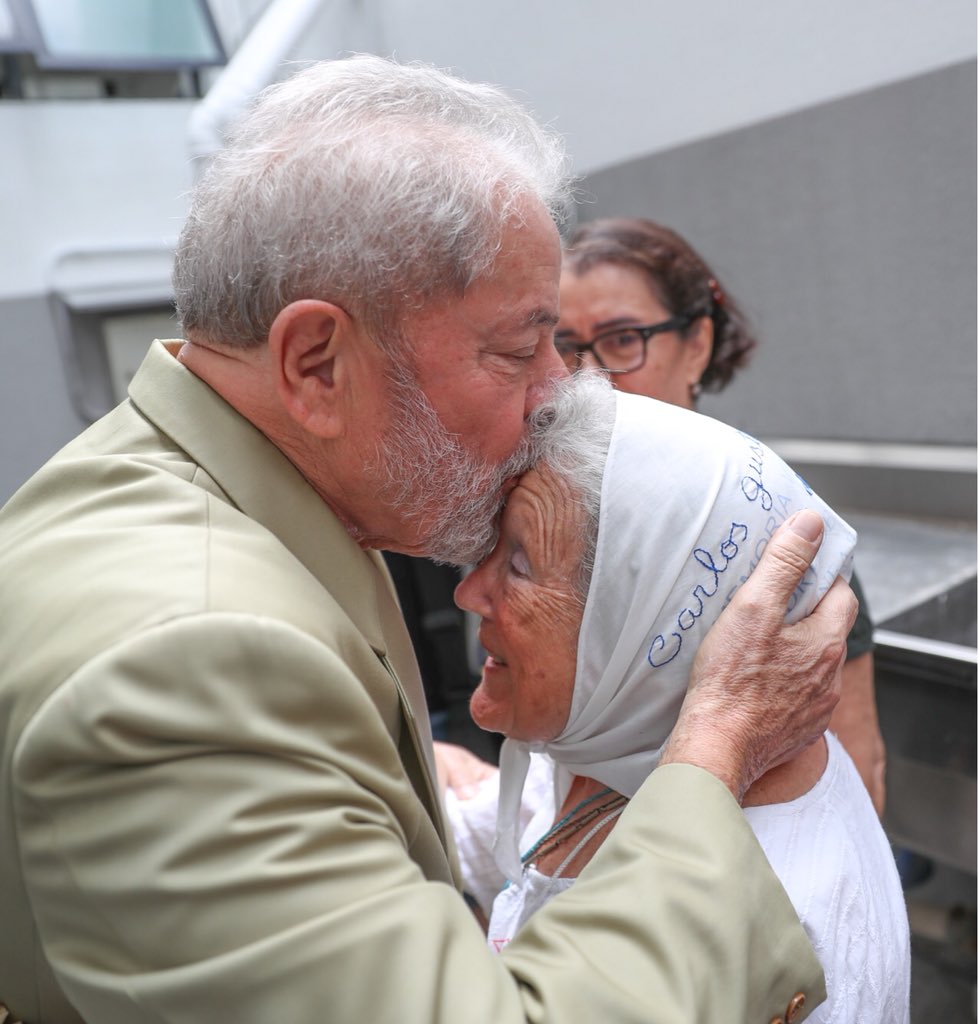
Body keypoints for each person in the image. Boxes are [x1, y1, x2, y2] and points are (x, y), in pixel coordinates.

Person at [0, 56, 855, 1024]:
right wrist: (711, 749)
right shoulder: (190, 653)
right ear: (317, 364)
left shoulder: (209, 501)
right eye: (521, 348)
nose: (560, 398)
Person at [453, 373, 910, 1022]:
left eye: (521, 564)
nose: (469, 593)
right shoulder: (614, 761)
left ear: (653, 626)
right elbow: (501, 832)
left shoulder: (775, 909)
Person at [556, 216, 886, 815]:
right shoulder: (546, 520)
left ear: (697, 345)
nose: (589, 375)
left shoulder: (774, 527)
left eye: (624, 338)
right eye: (562, 344)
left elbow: (855, 769)